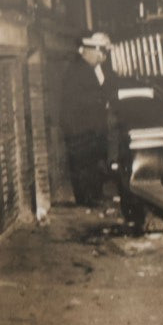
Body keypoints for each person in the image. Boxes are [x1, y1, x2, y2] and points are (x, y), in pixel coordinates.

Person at [60, 31, 115, 206]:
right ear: (91, 51)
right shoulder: (78, 69)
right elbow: (82, 99)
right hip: (80, 127)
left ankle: (95, 195)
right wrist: (102, 100)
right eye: (101, 54)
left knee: (92, 161)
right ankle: (86, 199)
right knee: (83, 164)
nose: (102, 59)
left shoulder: (89, 68)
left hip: (90, 126)